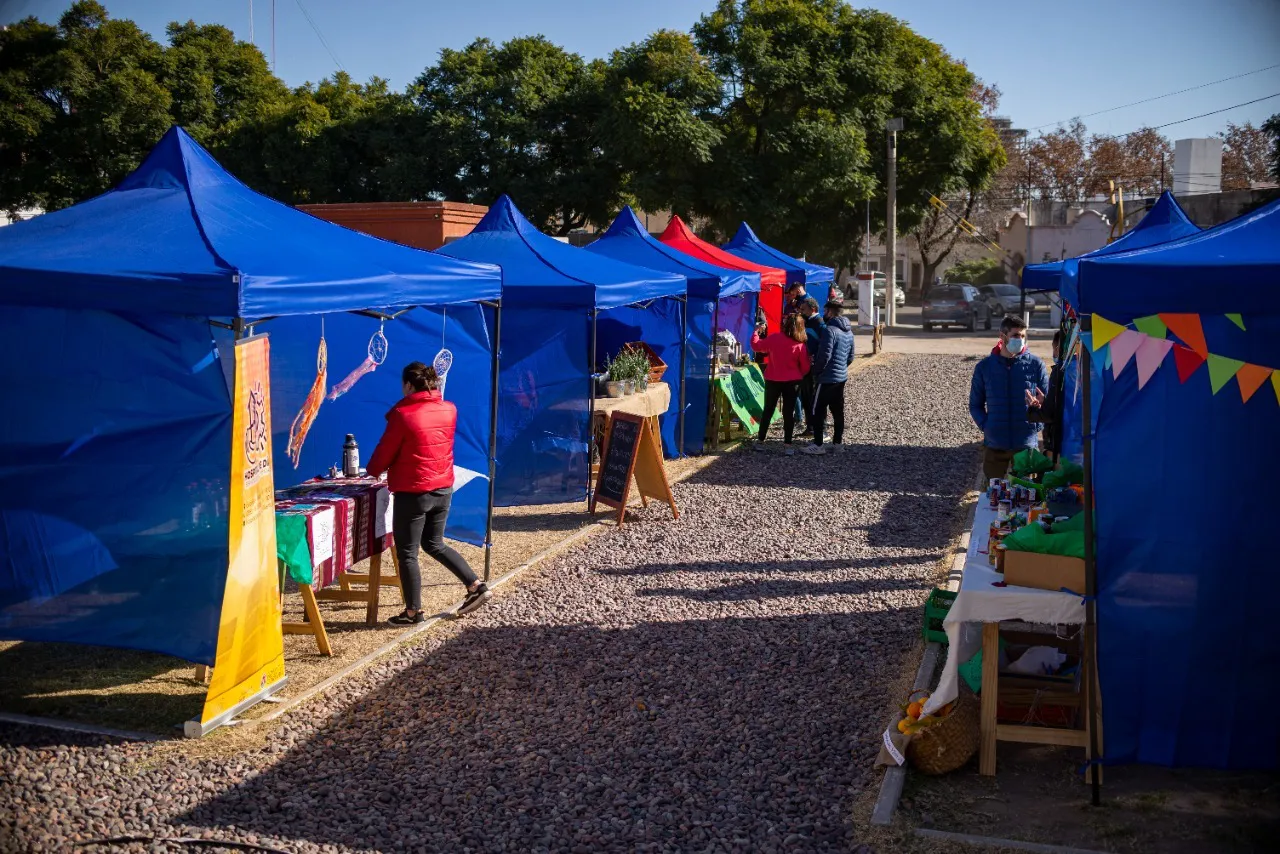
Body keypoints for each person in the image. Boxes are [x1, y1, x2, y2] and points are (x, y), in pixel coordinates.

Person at [367, 362, 491, 624]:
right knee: (434, 543)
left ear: (409, 385)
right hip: (443, 487)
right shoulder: (449, 409)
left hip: (414, 491)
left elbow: (383, 455)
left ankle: (413, 612)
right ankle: (475, 585)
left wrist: (372, 470)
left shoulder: (403, 415)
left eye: (403, 385)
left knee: (408, 552)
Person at [969, 316, 1050, 480]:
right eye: (1015, 336)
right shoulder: (984, 367)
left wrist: (1036, 425)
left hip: (1025, 443)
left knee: (1026, 496)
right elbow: (975, 405)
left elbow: (1047, 403)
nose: (1019, 340)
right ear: (1002, 336)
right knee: (992, 495)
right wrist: (987, 426)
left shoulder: (1036, 365)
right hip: (995, 444)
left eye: (1022, 336)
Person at [750, 313, 812, 455]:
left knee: (768, 410)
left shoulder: (774, 338)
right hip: (792, 381)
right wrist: (798, 374)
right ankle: (788, 444)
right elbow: (805, 367)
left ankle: (760, 440)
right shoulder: (800, 344)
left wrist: (756, 332)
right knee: (788, 413)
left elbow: (756, 346)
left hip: (773, 378)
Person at [807, 296, 855, 454]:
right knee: (838, 411)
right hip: (841, 377)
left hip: (826, 378)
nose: (824, 313)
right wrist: (841, 368)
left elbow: (824, 356)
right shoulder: (849, 331)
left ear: (830, 312)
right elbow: (851, 356)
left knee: (817, 410)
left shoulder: (830, 331)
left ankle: (818, 444)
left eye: (826, 310)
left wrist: (816, 371)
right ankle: (837, 443)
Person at [796, 296, 824, 434]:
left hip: (813, 367)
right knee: (806, 396)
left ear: (813, 309)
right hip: (806, 365)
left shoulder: (819, 323)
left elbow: (823, 346)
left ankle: (815, 426)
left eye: (803, 309)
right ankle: (810, 426)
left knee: (813, 397)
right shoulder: (807, 322)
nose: (800, 312)